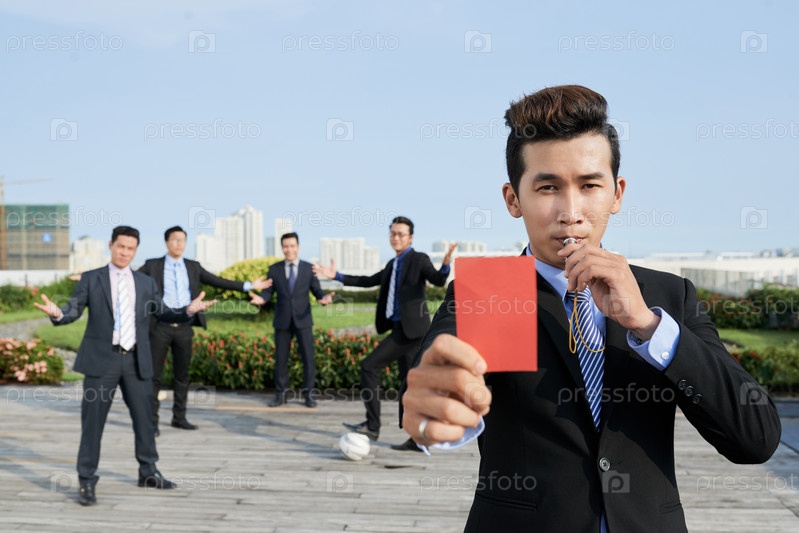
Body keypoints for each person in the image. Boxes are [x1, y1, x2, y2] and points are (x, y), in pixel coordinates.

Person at [400, 85, 782, 531]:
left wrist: (648, 325)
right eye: (548, 187)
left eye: (589, 186)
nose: (571, 212)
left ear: (617, 193)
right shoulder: (491, 292)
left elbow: (755, 438)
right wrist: (433, 404)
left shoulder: (667, 295)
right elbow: (441, 374)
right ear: (513, 199)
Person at [33, 226, 215, 506]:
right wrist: (58, 313)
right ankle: (86, 479)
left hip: (136, 360)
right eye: (121, 247)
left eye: (131, 248)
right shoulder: (92, 278)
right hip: (101, 361)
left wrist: (187, 310)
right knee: (92, 423)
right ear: (111, 245)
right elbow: (73, 309)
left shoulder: (144, 282)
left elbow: (163, 312)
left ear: (135, 250)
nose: (125, 253)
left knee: (145, 420)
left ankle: (148, 471)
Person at [315, 216, 455, 449]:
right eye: (392, 233)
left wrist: (446, 265)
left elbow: (438, 280)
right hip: (402, 329)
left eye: (400, 234)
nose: (395, 237)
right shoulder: (392, 264)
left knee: (369, 366)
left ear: (410, 238)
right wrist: (337, 276)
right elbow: (368, 280)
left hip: (412, 332)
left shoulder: (418, 259)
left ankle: (373, 426)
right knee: (410, 384)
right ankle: (417, 439)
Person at [138, 226, 271, 435]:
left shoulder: (193, 266)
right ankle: (151, 423)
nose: (179, 244)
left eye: (182, 240)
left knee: (182, 376)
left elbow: (218, 281)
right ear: (166, 242)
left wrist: (248, 286)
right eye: (174, 240)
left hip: (185, 327)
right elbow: (130, 279)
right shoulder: (152, 265)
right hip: (159, 327)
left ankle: (179, 417)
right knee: (154, 377)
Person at [250, 232, 333, 407]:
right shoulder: (274, 269)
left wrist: (324, 298)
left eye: (292, 246)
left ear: (298, 247)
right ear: (282, 248)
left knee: (308, 359)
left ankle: (309, 395)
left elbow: (317, 290)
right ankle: (281, 395)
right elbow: (267, 291)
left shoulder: (308, 268)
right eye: (285, 246)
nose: (289, 249)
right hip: (282, 320)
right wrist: (261, 299)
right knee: (281, 360)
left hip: (303, 320)